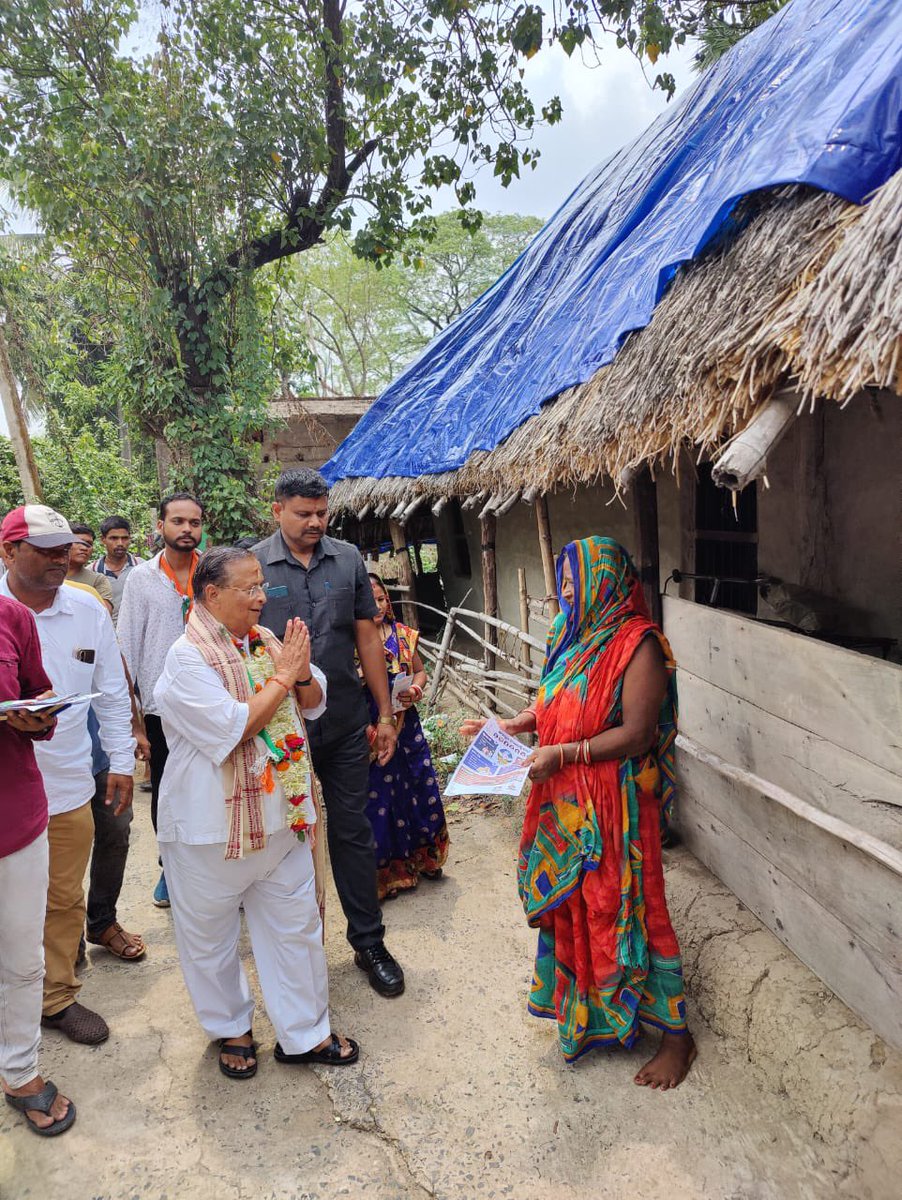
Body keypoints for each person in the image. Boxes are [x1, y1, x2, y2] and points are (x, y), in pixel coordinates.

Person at [462, 537, 696, 1088]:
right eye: (563, 580)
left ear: (606, 582)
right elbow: (555, 701)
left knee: (633, 905)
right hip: (565, 800)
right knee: (577, 906)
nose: (564, 591)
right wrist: (518, 725)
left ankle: (677, 1036)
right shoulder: (571, 638)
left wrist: (565, 753)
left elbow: (637, 734)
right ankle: (592, 1014)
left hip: (616, 804)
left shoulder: (640, 644)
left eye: (573, 581)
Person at [154, 546, 358, 1077]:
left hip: (281, 822)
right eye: (250, 588)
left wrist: (299, 674)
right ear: (213, 595)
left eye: (262, 585)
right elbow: (233, 727)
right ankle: (231, 1029)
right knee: (210, 940)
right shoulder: (185, 658)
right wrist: (286, 677)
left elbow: (312, 703)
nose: (262, 596)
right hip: (208, 832)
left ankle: (305, 1034)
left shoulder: (265, 641)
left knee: (296, 930)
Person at [255, 469, 404, 998]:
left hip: (342, 721)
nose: (316, 521)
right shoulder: (253, 565)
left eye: (322, 512)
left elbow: (368, 637)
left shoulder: (348, 560)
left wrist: (383, 714)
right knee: (283, 836)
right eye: (304, 513)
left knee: (351, 832)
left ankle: (369, 942)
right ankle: (294, 950)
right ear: (277, 511)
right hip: (278, 730)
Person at [0, 504, 135, 1047]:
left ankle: (55, 998)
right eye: (47, 550)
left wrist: (122, 760)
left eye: (65, 549)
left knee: (61, 899)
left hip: (68, 784)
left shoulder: (87, 609)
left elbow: (111, 691)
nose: (63, 559)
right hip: (6, 787)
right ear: (9, 551)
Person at [0, 593, 77, 1136]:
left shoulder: (11, 617)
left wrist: (38, 715)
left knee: (21, 956)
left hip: (13, 817)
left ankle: (19, 1071)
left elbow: (35, 691)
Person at [118, 492, 204, 907]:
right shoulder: (142, 578)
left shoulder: (215, 572)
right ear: (161, 527)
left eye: (194, 522)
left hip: (212, 702)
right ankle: (170, 867)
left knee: (213, 784)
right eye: (178, 522)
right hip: (160, 706)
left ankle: (215, 866)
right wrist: (134, 722)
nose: (187, 529)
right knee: (168, 789)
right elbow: (127, 648)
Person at [363, 574, 449, 900]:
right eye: (370, 600)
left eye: (382, 599)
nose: (378, 606)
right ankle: (390, 874)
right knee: (382, 796)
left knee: (420, 782)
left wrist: (415, 688)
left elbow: (421, 671)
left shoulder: (402, 636)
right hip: (374, 728)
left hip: (407, 725)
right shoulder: (353, 642)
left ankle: (426, 859)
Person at [91, 515, 140, 625]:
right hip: (105, 635)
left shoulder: (143, 567)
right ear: (103, 540)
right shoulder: (92, 572)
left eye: (124, 538)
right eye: (114, 538)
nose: (120, 543)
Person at [67, 524, 114, 612]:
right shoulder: (47, 576)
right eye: (78, 542)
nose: (84, 548)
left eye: (89, 544)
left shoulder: (98, 581)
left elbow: (104, 615)